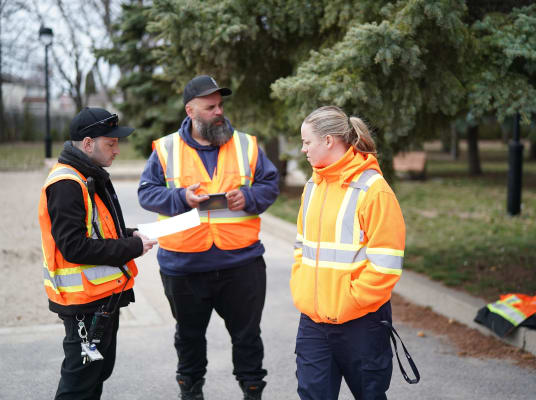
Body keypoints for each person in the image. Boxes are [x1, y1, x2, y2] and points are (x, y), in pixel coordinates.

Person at [138, 75, 279, 400]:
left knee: (247, 338)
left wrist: (249, 197)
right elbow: (147, 193)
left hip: (241, 264)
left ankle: (252, 392)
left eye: (221, 105)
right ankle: (191, 393)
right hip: (184, 266)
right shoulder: (166, 149)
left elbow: (269, 184)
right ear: (190, 110)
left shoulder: (246, 144)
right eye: (210, 106)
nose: (219, 112)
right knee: (188, 338)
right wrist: (180, 199)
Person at [38, 107, 157, 400]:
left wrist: (130, 235)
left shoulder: (87, 174)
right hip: (84, 305)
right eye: (111, 143)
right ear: (88, 144)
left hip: (100, 300)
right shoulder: (68, 183)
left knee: (94, 377)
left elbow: (97, 229)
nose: (117, 150)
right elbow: (74, 246)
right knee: (78, 386)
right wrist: (131, 247)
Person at [291, 106, 407, 399]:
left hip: (361, 323)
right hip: (314, 324)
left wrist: (349, 303)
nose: (303, 149)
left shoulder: (373, 190)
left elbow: (386, 263)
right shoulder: (312, 187)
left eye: (307, 142)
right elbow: (300, 246)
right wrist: (302, 290)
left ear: (328, 141)